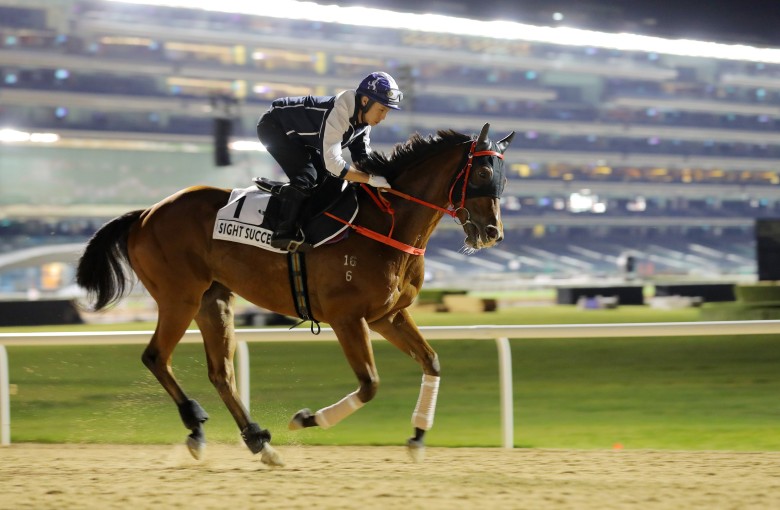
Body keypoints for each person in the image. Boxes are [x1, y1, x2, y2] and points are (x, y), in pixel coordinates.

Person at [256, 71, 402, 251]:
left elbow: (363, 160)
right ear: (365, 101)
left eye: (386, 112)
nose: (383, 117)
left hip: (300, 138)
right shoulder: (338, 113)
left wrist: (383, 177)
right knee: (307, 176)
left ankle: (304, 219)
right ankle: (283, 232)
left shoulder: (363, 124)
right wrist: (369, 180)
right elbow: (334, 164)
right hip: (274, 127)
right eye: (381, 110)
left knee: (330, 179)